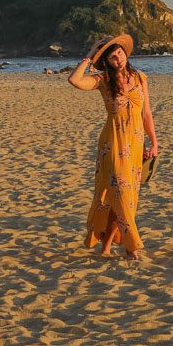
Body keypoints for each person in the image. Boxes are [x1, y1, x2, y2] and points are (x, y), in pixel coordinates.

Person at [68, 34, 159, 260]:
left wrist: (154, 143)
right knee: (120, 192)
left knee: (126, 198)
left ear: (125, 54)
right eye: (111, 56)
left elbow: (146, 113)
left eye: (118, 53)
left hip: (136, 143)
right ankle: (131, 248)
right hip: (113, 143)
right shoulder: (103, 81)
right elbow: (74, 80)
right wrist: (90, 56)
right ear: (107, 62)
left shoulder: (139, 77)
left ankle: (106, 247)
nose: (116, 58)